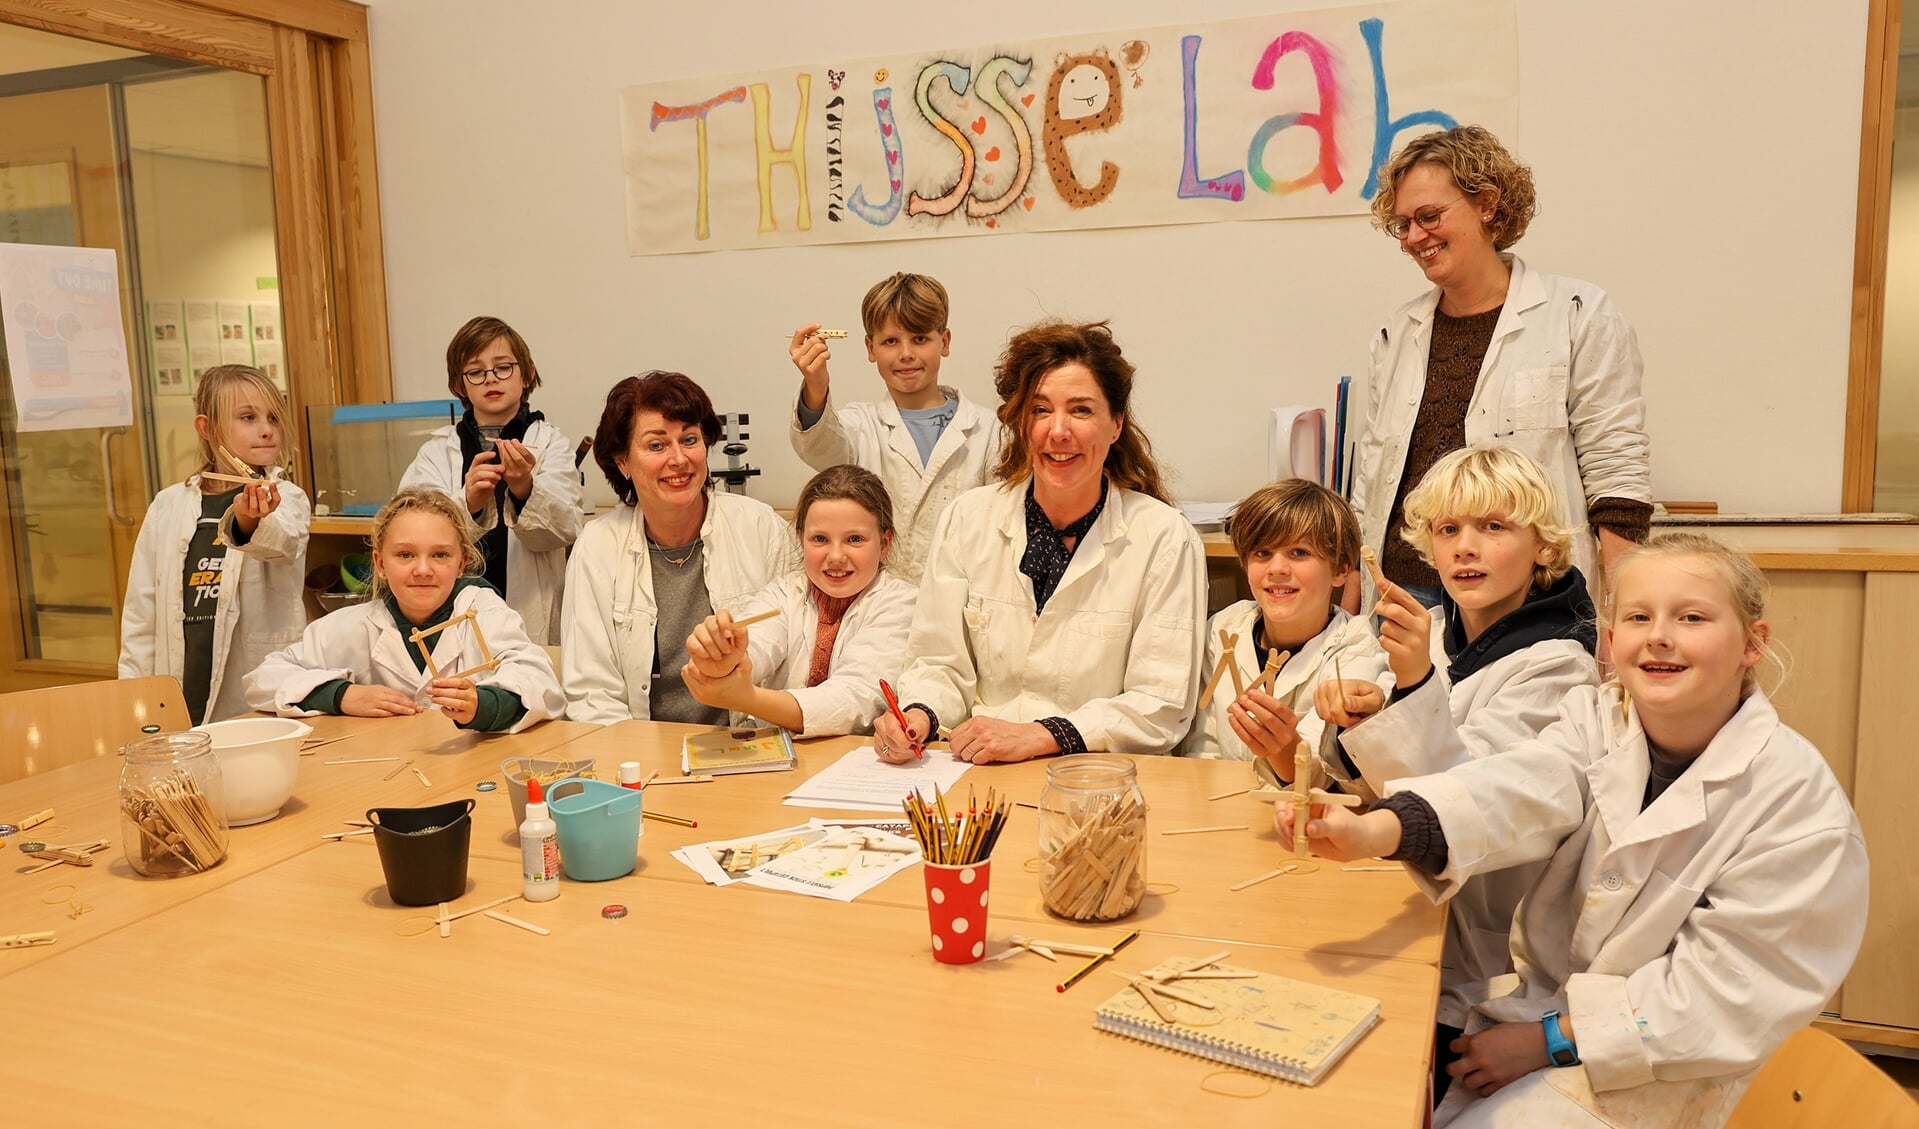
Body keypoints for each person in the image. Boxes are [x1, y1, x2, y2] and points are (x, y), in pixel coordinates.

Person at [1285, 533, 1868, 1127]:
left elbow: (1724, 998)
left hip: (1682, 1068)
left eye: (1691, 617)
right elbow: (1520, 787)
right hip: (1553, 1015)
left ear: (1753, 643)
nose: (1661, 635)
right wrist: (1380, 830)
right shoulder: (1599, 721)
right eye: (1640, 616)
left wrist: (1552, 1041)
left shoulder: (1795, 807)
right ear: (1612, 642)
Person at [1320, 445, 1600, 1097]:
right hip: (1414, 908)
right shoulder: (1442, 630)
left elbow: (1475, 800)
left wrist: (1412, 684)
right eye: (1448, 530)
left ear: (1543, 547)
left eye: (1492, 527)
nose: (1464, 548)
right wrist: (1355, 717)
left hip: (1484, 956)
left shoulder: (1556, 665)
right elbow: (1387, 776)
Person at [1348, 125, 1650, 613]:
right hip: (1407, 593)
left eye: (1429, 216)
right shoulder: (1395, 334)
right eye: (1403, 225)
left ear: (1487, 204)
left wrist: (1629, 606)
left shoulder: (1577, 314)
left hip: (1528, 595)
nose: (1415, 237)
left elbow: (1616, 474)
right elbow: (1372, 479)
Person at [874, 320, 1205, 765]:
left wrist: (1043, 735)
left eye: (1082, 410)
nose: (1058, 431)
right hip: (979, 773)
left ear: (1116, 424)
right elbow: (938, 663)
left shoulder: (1164, 538)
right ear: (1020, 422)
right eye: (1041, 410)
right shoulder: (968, 520)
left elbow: (1160, 705)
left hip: (1100, 782)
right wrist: (918, 715)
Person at [562, 371, 798, 725]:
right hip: (643, 754)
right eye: (656, 445)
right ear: (623, 461)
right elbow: (591, 696)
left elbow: (799, 659)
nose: (679, 459)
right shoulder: (596, 548)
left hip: (754, 747)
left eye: (689, 439)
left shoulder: (761, 527)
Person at [245, 489, 561, 733]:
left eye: (440, 555)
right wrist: (342, 696)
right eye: (406, 555)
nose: (422, 570)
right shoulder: (351, 625)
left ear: (461, 563)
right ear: (381, 564)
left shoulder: (484, 613)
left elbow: (539, 683)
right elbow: (262, 681)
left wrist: (483, 705)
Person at [118, 364, 308, 724]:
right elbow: (141, 613)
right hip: (180, 676)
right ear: (206, 428)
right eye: (248, 417)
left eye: (273, 418)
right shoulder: (168, 505)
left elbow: (283, 542)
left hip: (251, 685)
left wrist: (251, 518)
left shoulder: (286, 497)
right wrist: (132, 699)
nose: (267, 430)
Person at [788, 272, 1001, 583]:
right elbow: (820, 447)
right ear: (870, 348)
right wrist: (816, 384)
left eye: (920, 339)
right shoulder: (860, 426)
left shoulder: (989, 430)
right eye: (890, 341)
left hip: (965, 602)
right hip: (878, 606)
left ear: (944, 341)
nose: (906, 354)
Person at [1179, 479, 1390, 783]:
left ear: (1341, 569)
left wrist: (1284, 748)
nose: (1277, 568)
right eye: (1262, 553)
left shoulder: (1358, 649)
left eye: (1299, 553)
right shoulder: (1223, 630)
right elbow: (1202, 746)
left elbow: (1325, 775)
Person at [681, 465, 916, 736]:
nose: (836, 556)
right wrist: (722, 658)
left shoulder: (900, 604)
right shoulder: (784, 593)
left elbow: (851, 700)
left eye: (854, 539)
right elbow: (756, 645)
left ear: (884, 542)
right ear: (800, 539)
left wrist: (745, 699)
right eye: (820, 539)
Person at [399, 315, 580, 644]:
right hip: (452, 613)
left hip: (529, 611)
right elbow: (409, 532)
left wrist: (525, 489)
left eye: (503, 367)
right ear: (459, 385)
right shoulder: (437, 452)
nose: (490, 379)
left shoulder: (552, 444)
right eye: (476, 372)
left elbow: (565, 530)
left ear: (526, 375)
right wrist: (469, 503)